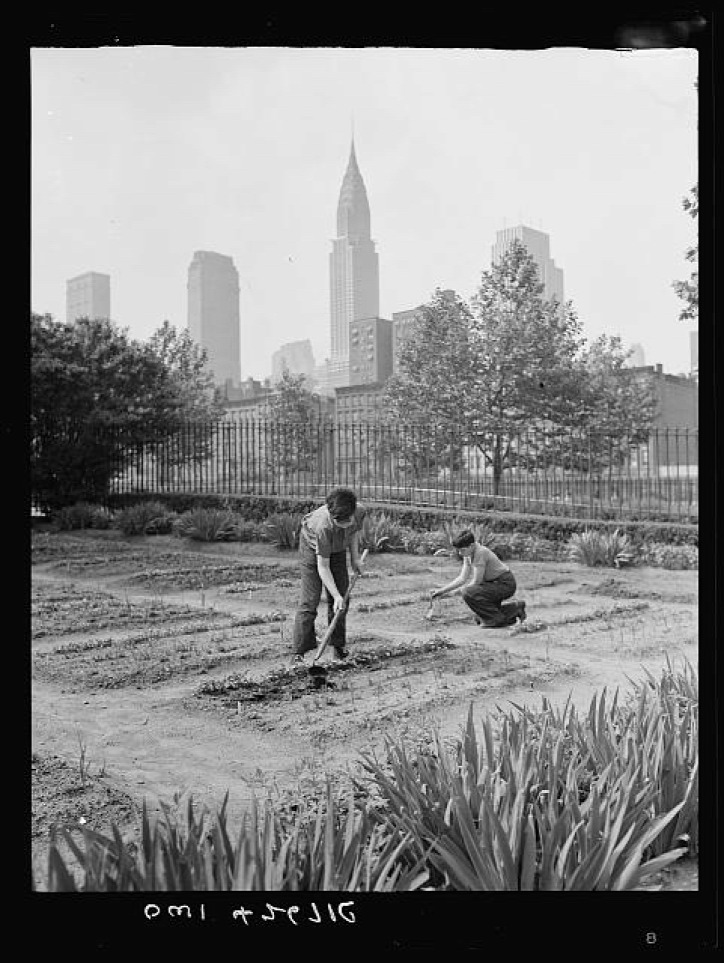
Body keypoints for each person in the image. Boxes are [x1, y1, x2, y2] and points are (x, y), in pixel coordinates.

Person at [291, 486, 365, 663]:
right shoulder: (322, 525)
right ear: (332, 516)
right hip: (313, 551)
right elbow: (323, 567)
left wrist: (355, 559)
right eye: (340, 521)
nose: (345, 524)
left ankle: (338, 647)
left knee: (342, 604)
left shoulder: (360, 511)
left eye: (348, 520)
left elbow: (353, 532)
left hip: (338, 549)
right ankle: (298, 653)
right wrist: (336, 595)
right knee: (310, 601)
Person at [430, 530, 526, 628]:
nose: (460, 553)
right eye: (458, 550)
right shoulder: (468, 554)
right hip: (493, 584)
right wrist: (440, 591)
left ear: (471, 545)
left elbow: (476, 582)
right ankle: (516, 608)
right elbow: (462, 578)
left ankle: (496, 620)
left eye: (462, 550)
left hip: (504, 584)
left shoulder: (480, 553)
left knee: (468, 592)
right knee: (479, 617)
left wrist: (452, 594)